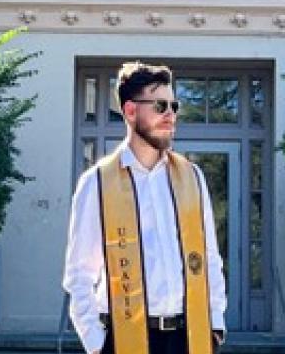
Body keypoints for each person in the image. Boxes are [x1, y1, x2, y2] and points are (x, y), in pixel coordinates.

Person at [63, 61, 227, 354]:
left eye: (174, 106)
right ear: (130, 111)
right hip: (125, 338)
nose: (170, 115)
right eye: (160, 105)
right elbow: (79, 275)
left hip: (188, 338)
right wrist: (96, 344)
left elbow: (208, 259)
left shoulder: (192, 177)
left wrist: (215, 326)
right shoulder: (97, 183)